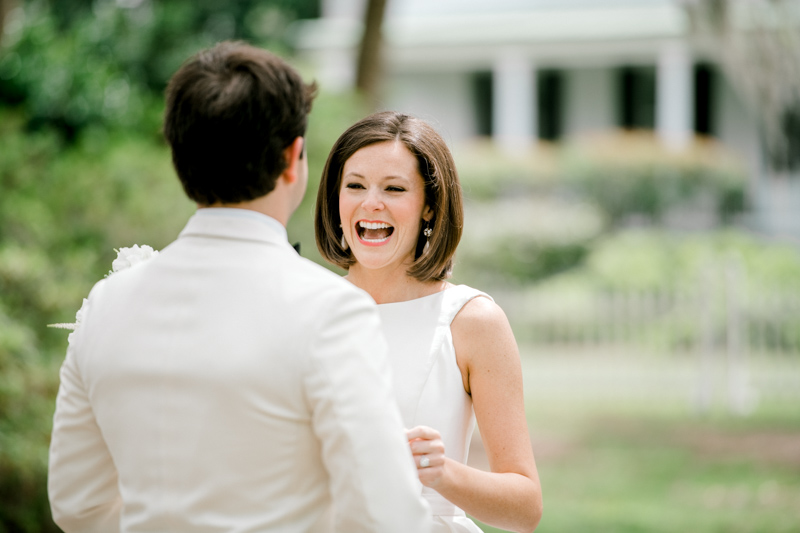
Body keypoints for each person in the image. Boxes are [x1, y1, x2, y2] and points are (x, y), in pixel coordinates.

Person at [47, 43, 431, 533]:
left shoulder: (106, 304)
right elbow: (386, 516)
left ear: (180, 156)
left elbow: (76, 504)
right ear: (294, 158)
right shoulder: (330, 309)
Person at [315, 111, 543, 533]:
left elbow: (525, 508)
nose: (371, 204)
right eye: (355, 186)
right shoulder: (305, 305)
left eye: (395, 188)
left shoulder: (472, 321)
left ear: (429, 208)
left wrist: (443, 473)